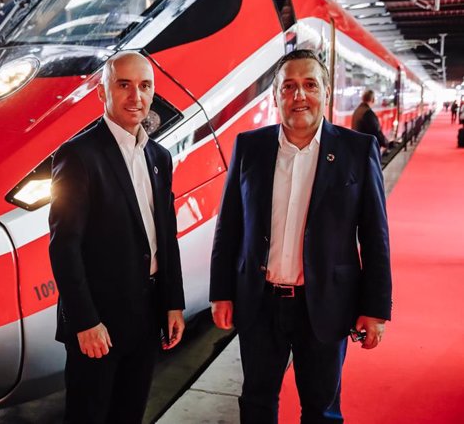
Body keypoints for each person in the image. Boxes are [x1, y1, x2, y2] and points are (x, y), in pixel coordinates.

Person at [209, 49, 392, 423]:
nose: (299, 96)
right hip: (260, 303)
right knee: (257, 401)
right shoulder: (250, 147)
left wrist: (374, 309)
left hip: (325, 303)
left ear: (326, 92)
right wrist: (221, 292)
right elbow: (228, 226)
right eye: (288, 86)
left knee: (322, 409)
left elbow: (375, 236)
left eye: (310, 85)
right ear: (275, 96)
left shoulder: (357, 150)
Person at [48, 51, 186, 424]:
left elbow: (166, 235)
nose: (135, 96)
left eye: (144, 86)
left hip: (146, 314)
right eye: (123, 85)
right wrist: (84, 321)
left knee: (129, 414)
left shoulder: (159, 156)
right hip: (99, 323)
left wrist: (174, 302)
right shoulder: (78, 155)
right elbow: (64, 246)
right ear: (103, 92)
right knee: (89, 416)